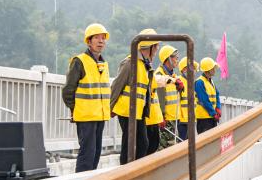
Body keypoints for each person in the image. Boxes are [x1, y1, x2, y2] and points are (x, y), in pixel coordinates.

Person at [62, 23, 111, 172]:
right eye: (97, 38)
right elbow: (68, 90)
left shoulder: (103, 64)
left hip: (100, 116)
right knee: (87, 153)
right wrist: (75, 109)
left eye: (103, 38)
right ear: (89, 41)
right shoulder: (79, 61)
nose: (101, 41)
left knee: (96, 153)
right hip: (86, 116)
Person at [110, 28, 159, 164]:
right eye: (156, 46)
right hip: (127, 111)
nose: (157, 50)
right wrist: (110, 107)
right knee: (130, 144)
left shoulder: (144, 64)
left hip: (138, 112)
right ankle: (125, 171)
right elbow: (117, 85)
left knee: (143, 143)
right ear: (150, 47)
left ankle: (136, 169)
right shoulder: (130, 63)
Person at [154, 45, 186, 150]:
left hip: (174, 118)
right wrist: (161, 117)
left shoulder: (173, 75)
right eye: (175, 57)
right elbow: (160, 99)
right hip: (166, 120)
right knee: (164, 149)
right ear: (168, 58)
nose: (177, 60)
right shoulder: (160, 74)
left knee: (173, 147)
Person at [194, 57, 221, 134]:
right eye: (213, 68)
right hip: (204, 118)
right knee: (205, 139)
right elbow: (204, 100)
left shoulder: (211, 81)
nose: (214, 70)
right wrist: (213, 113)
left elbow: (217, 94)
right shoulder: (199, 82)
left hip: (212, 116)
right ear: (208, 70)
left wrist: (218, 108)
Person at [176, 59, 196, 141]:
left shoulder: (191, 82)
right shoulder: (179, 81)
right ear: (184, 69)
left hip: (190, 119)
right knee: (183, 142)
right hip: (182, 120)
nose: (194, 71)